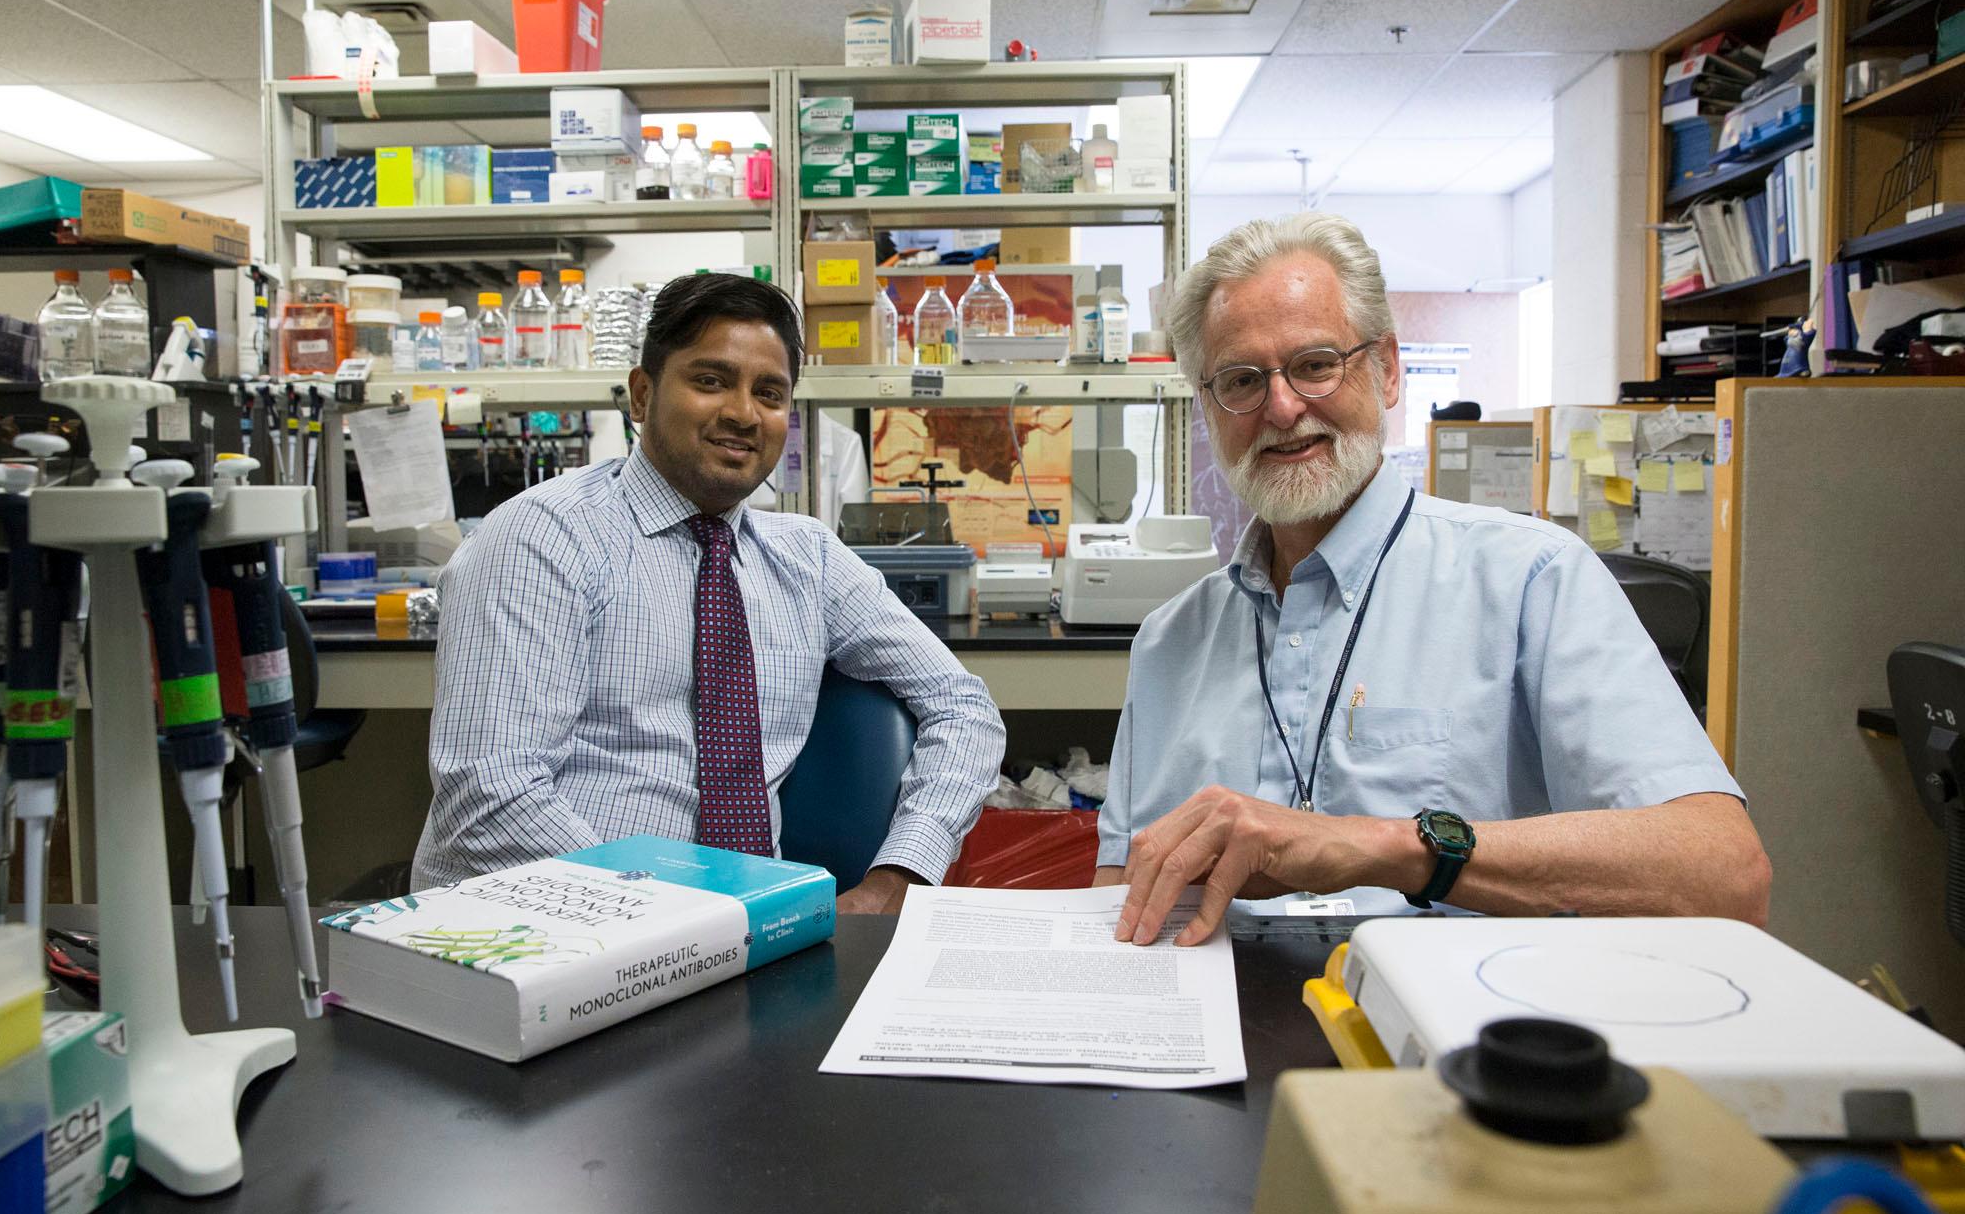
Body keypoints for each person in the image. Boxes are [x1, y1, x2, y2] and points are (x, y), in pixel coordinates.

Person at [1095, 213, 1770, 947]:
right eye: (1242, 380)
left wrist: (1386, 847)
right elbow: (1118, 899)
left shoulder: (1530, 582)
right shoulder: (1170, 643)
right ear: (1208, 404)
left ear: (1387, 369)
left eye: (1316, 364)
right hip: (1217, 1042)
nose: (1282, 407)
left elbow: (1725, 875)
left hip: (1455, 1042)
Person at [415, 272, 1004, 912]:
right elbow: (490, 794)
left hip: (744, 932)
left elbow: (962, 702)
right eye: (710, 380)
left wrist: (901, 876)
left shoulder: (808, 559)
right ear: (641, 395)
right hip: (539, 926)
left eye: (769, 393)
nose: (743, 414)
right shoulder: (543, 539)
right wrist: (675, 926)